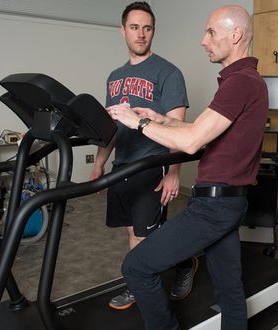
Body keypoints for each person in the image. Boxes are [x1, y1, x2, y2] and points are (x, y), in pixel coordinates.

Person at [107, 4, 268, 330]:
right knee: (229, 289)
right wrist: (161, 118)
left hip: (214, 206)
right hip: (229, 202)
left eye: (210, 32)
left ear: (235, 35)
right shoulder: (244, 81)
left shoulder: (240, 83)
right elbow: (204, 131)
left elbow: (193, 141)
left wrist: (136, 123)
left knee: (136, 267)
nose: (203, 40)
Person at [90, 1, 198, 310]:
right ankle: (181, 263)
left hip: (153, 165)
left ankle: (139, 286)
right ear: (122, 31)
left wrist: (174, 172)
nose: (141, 34)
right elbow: (109, 127)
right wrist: (99, 163)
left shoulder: (168, 72)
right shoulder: (114, 77)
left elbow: (178, 127)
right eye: (134, 27)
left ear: (153, 32)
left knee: (144, 234)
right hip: (121, 165)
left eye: (147, 28)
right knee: (135, 231)